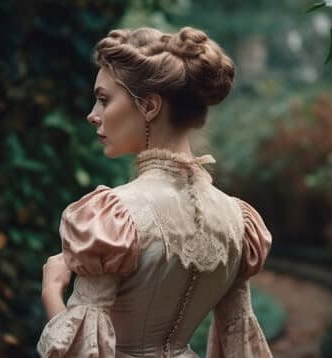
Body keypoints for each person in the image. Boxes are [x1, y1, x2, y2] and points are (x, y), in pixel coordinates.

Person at [37, 26, 273, 357]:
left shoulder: (113, 215)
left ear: (149, 106)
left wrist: (50, 289)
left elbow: (83, 352)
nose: (93, 115)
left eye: (104, 99)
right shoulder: (239, 220)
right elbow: (241, 343)